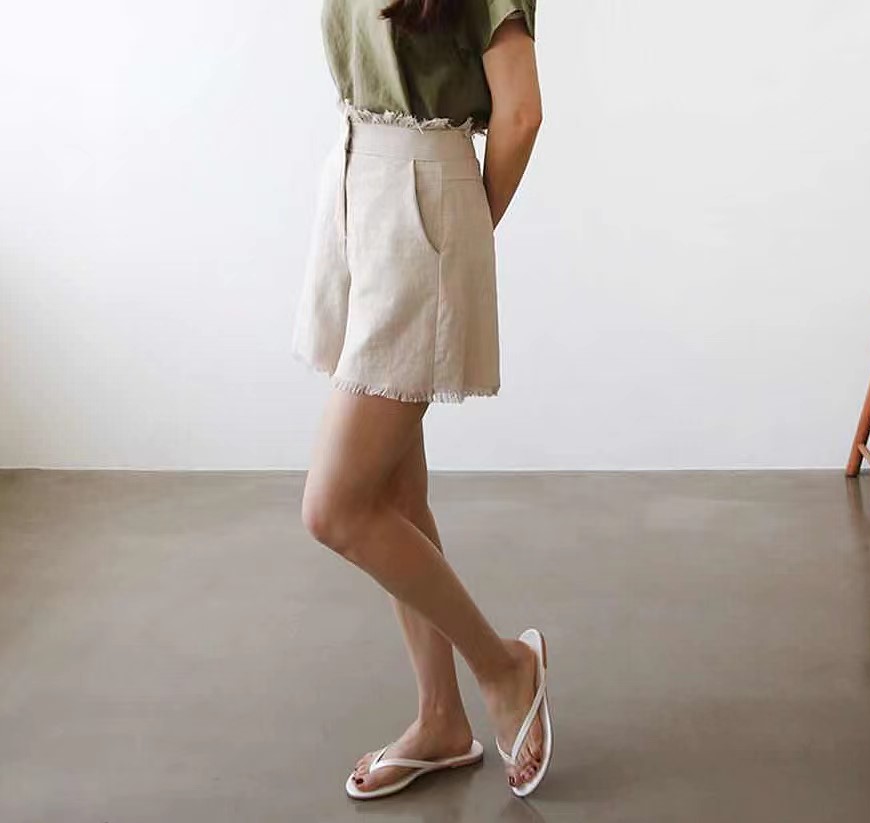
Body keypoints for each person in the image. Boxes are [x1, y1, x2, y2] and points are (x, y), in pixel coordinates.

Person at [291, 0, 547, 800]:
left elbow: (521, 112)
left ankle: (505, 667)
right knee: (394, 494)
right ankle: (441, 720)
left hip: (421, 199)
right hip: (356, 185)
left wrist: (467, 221)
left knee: (335, 506)